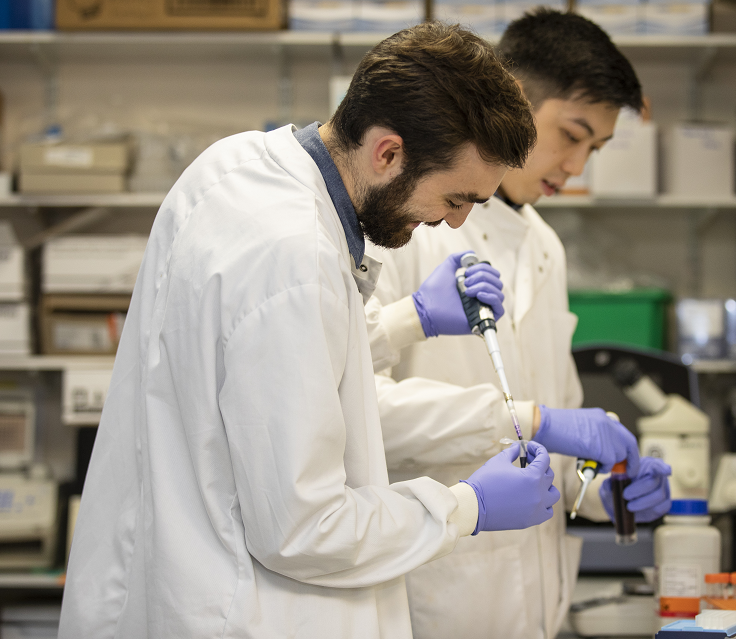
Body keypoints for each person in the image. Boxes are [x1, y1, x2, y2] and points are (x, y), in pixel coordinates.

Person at [58, 23, 559, 639]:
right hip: (241, 612)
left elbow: (249, 355)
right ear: (387, 153)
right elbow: (304, 528)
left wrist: (408, 321)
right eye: (456, 198)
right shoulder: (294, 257)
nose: (453, 224)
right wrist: (466, 508)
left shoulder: (240, 164)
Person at [364, 10, 672, 639]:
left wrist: (601, 485)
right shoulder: (405, 223)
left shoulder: (543, 245)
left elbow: (556, 433)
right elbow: (359, 412)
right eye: (572, 135)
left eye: (596, 148)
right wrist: (530, 420)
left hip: (536, 606)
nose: (578, 166)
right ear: (514, 99)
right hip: (430, 593)